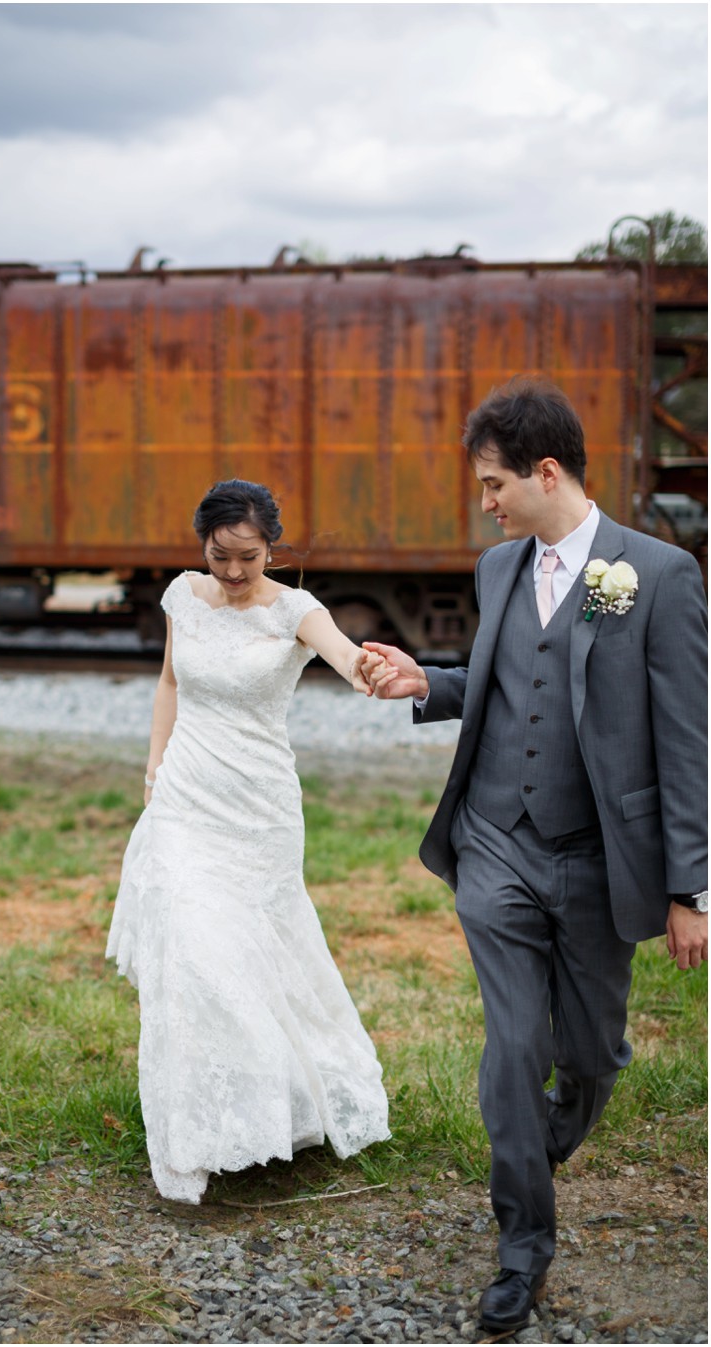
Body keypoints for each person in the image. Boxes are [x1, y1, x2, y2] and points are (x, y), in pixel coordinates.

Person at [362, 378, 708, 1333]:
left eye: (492, 484)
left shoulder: (660, 576)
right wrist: (423, 680)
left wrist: (694, 887)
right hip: (496, 848)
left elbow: (686, 740)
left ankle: (547, 1130)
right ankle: (522, 1250)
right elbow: (504, 680)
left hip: (601, 861)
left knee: (589, 1054)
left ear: (544, 472)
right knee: (513, 1049)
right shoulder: (497, 569)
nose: (485, 503)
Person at [106, 479, 390, 1203]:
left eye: (250, 557)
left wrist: (370, 668)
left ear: (272, 547)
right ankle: (193, 1133)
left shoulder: (295, 610)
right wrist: (154, 764)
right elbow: (171, 681)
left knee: (253, 956)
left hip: (258, 807)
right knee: (189, 953)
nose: (233, 572)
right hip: (184, 795)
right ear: (202, 546)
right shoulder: (181, 596)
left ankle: (271, 1103)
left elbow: (341, 652)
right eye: (220, 555)